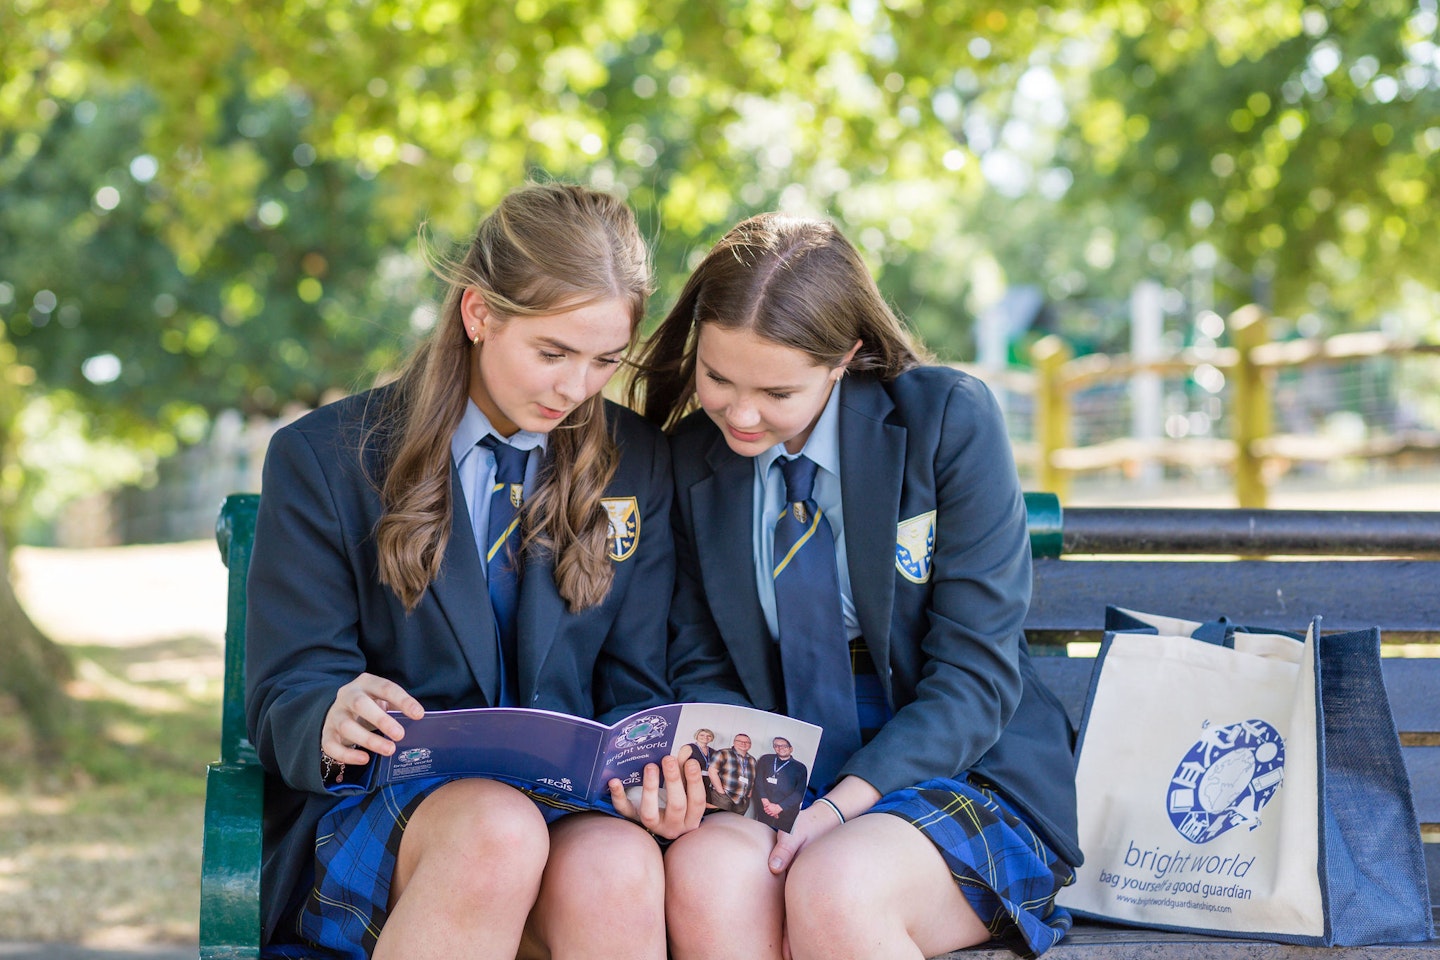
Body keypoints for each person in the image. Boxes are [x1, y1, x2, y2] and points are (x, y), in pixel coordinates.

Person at [245, 182, 703, 960]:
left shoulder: (637, 461)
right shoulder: (326, 457)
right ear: (478, 314)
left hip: (569, 807)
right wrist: (330, 715)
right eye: (552, 353)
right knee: (497, 830)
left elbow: (638, 684)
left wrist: (654, 779)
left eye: (604, 361)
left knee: (619, 866)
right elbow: (290, 688)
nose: (576, 388)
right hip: (390, 810)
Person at [633, 213, 1082, 959]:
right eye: (717, 378)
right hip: (777, 756)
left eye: (777, 391)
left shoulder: (944, 420)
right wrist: (753, 787)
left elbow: (974, 676)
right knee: (709, 878)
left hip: (956, 760)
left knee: (837, 886)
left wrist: (839, 809)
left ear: (845, 356)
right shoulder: (690, 460)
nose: (740, 415)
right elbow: (702, 662)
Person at [752, 737, 807, 832]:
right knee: (760, 832)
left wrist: (778, 808)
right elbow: (758, 780)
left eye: (784, 746)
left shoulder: (800, 767)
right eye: (776, 745)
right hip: (765, 808)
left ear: (791, 749)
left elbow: (799, 793)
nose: (780, 748)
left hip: (787, 811)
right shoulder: (765, 759)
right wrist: (767, 804)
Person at [706, 733, 756, 815]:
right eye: (740, 741)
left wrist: (749, 793)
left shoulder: (752, 759)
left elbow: (753, 777)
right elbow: (712, 772)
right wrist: (721, 792)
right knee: (718, 821)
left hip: (742, 799)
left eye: (747, 742)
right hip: (724, 796)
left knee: (734, 824)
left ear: (750, 745)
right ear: (734, 742)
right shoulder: (722, 753)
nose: (743, 744)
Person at [677, 727, 721, 810]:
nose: (705, 737)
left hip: (706, 782)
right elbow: (679, 765)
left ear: (711, 738)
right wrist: (682, 781)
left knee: (702, 805)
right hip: (690, 780)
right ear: (697, 736)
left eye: (709, 736)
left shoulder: (714, 752)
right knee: (690, 804)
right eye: (702, 735)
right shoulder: (688, 748)